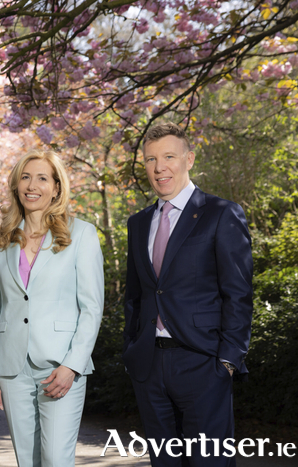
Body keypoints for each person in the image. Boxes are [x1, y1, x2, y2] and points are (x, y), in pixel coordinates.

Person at [123, 123, 253, 466]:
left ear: (189, 159)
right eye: (150, 159)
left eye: (168, 156)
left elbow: (238, 294)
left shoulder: (221, 214)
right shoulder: (138, 224)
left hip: (203, 363)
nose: (159, 167)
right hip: (150, 367)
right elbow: (134, 296)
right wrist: (132, 348)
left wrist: (227, 360)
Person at [0, 149, 104, 467]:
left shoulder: (82, 234)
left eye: (42, 178)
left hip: (60, 366)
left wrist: (73, 364)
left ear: (57, 187)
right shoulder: (2, 238)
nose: (32, 185)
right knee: (29, 461)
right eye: (25, 177)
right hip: (12, 368)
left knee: (55, 460)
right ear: (16, 185)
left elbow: (91, 308)